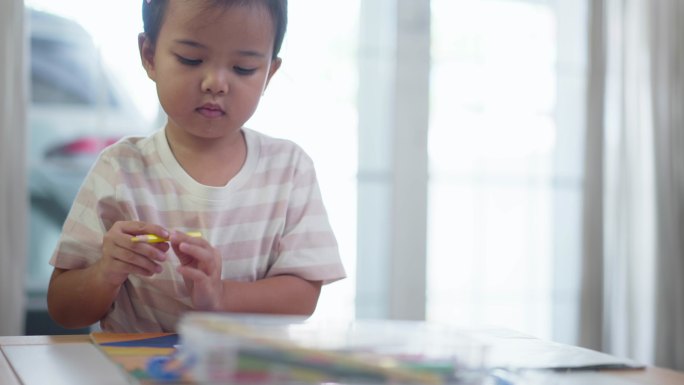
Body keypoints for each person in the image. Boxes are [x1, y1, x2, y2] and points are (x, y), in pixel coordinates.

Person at [46, 0, 346, 333]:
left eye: (244, 68)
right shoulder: (120, 169)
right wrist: (105, 272)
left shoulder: (289, 170)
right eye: (191, 59)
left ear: (269, 74)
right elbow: (63, 307)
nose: (216, 83)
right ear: (149, 55)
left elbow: (303, 297)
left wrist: (221, 295)